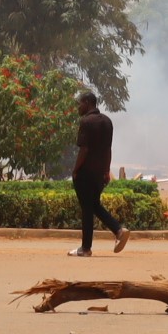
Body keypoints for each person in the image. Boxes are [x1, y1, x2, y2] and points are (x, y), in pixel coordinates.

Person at [68, 91, 127, 256]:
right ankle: (118, 231)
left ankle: (86, 248)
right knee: (93, 205)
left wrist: (75, 169)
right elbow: (108, 149)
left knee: (88, 208)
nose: (79, 106)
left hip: (86, 173)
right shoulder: (107, 122)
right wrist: (107, 171)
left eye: (80, 103)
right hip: (100, 173)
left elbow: (84, 149)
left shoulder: (86, 122)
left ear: (88, 102)